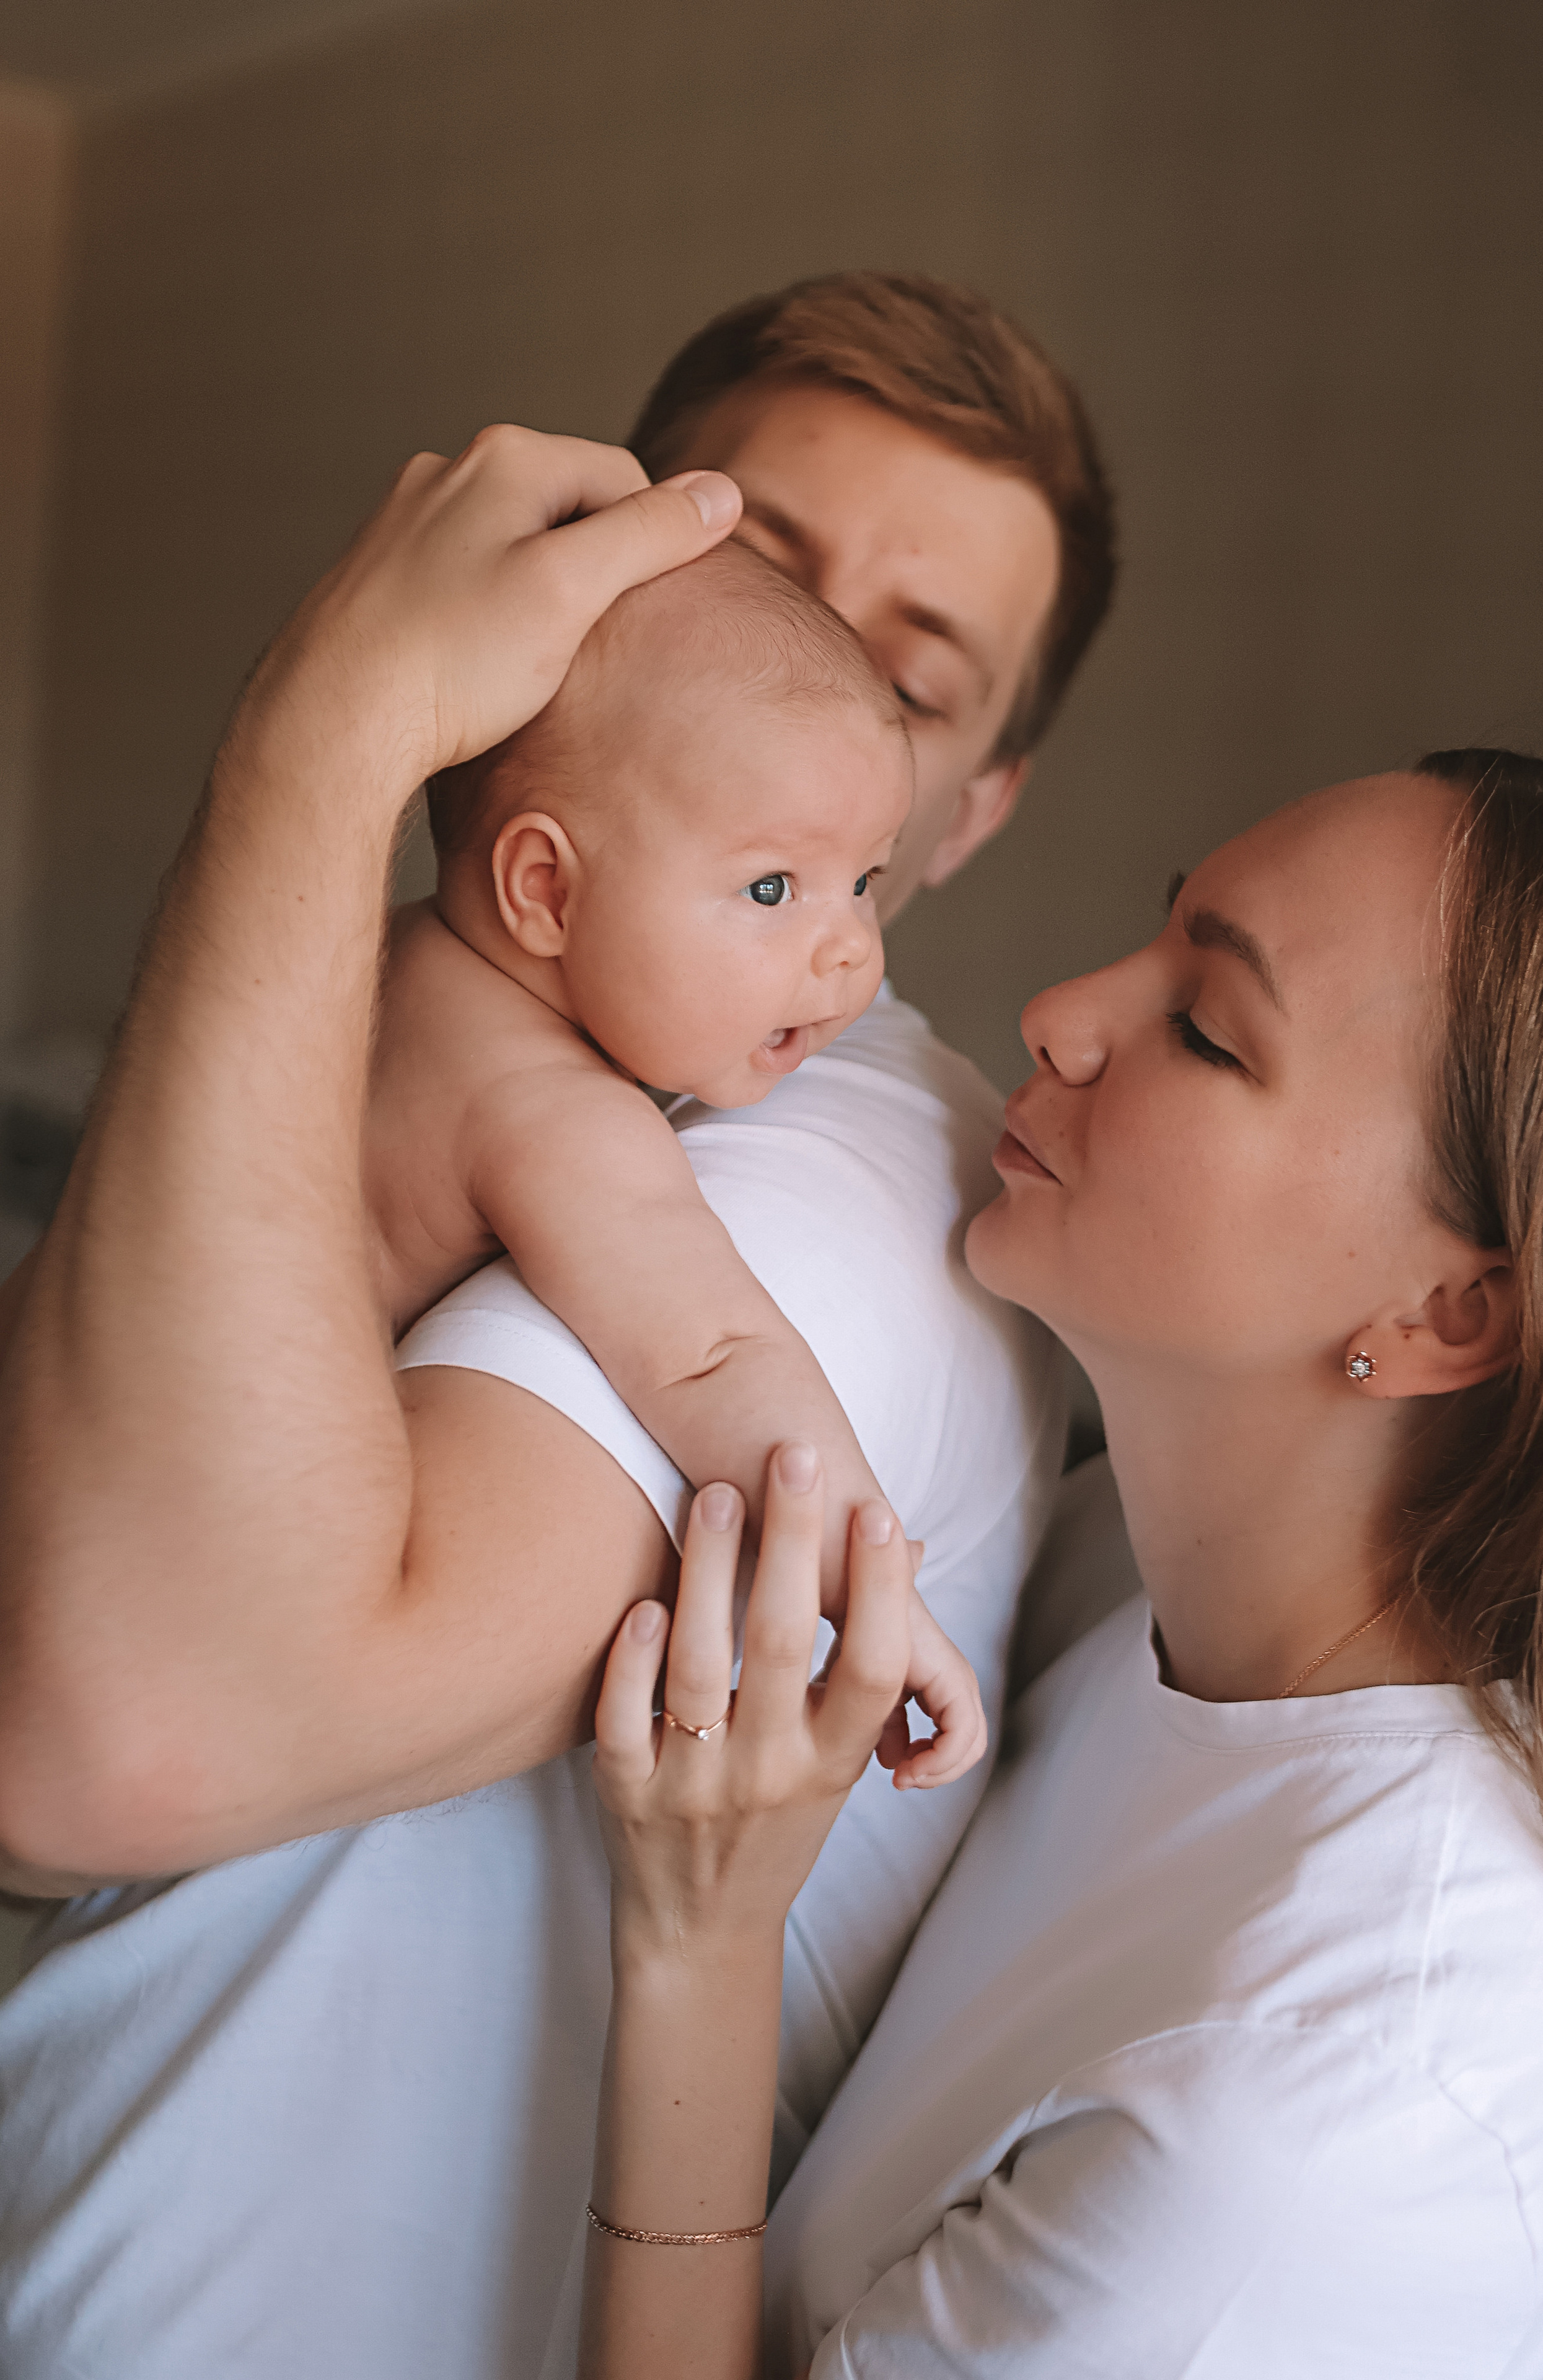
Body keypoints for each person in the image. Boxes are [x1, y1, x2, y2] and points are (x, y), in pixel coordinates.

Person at [0, 276, 1120, 2378]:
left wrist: (315, 742)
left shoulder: (851, 1172)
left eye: (905, 676)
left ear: (964, 805)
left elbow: (81, 1747)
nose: (806, 678)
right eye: (750, 579)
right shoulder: (425, 1005)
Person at [576, 750, 1543, 2379]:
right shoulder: (1135, 1569)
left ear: (1447, 1313)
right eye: (1161, 930)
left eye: (1208, 1031)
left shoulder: (1336, 2128)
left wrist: (702, 1946)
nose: (1059, 1013)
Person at [369, 540, 978, 1760]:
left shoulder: (376, 959)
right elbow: (711, 1356)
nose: (852, 949)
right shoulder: (549, 1111)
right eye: (773, 890)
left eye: (864, 880)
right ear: (545, 889)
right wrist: (876, 1592)